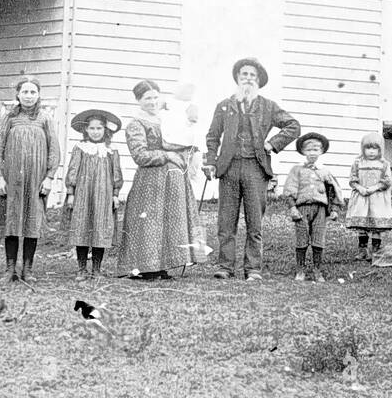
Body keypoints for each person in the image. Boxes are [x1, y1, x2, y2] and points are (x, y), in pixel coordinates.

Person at [204, 57, 300, 281]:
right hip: (228, 168)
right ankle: (225, 267)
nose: (247, 79)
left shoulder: (268, 106)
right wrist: (210, 161)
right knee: (226, 221)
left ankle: (253, 268)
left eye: (252, 76)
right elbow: (212, 136)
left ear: (258, 81)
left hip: (256, 169)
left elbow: (293, 125)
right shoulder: (224, 106)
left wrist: (272, 144)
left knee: (254, 221)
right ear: (237, 78)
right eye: (244, 75)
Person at [117, 80, 203, 280]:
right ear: (139, 100)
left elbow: (183, 139)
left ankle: (163, 266)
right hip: (150, 181)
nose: (153, 102)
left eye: (156, 97)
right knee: (151, 223)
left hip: (173, 181)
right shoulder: (136, 124)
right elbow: (140, 155)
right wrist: (167, 156)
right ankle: (147, 268)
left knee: (169, 222)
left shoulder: (167, 119)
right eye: (147, 98)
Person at [0, 76, 62, 284]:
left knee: (32, 222)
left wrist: (49, 177)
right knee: (12, 222)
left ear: (38, 95)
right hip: (12, 178)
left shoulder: (45, 119)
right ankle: (10, 269)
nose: (28, 96)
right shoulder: (9, 117)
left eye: (33, 92)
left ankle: (27, 269)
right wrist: (0, 176)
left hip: (36, 179)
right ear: (18, 94)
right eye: (25, 92)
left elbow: (54, 150)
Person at [64, 108, 124, 281]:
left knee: (100, 229)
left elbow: (116, 174)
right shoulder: (80, 148)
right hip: (83, 194)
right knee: (82, 228)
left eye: (99, 128)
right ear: (86, 130)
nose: (95, 132)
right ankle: (81, 269)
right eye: (92, 128)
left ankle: (96, 269)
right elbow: (73, 170)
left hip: (104, 196)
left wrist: (115, 194)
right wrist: (71, 193)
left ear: (105, 130)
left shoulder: (111, 150)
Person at [279, 132, 340, 283]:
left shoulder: (324, 171)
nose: (312, 153)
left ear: (321, 151)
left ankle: (317, 271)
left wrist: (333, 209)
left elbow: (332, 191)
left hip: (320, 210)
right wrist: (293, 208)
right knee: (302, 238)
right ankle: (300, 270)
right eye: (309, 150)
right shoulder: (297, 170)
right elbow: (289, 189)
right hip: (302, 209)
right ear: (303, 152)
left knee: (318, 239)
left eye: (316, 150)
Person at [345, 132, 392, 261]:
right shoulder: (358, 162)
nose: (371, 152)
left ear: (380, 149)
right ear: (363, 148)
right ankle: (362, 249)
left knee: (375, 225)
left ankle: (376, 250)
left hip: (377, 197)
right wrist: (360, 188)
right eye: (368, 148)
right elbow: (352, 179)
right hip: (362, 197)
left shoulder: (384, 164)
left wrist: (374, 188)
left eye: (375, 148)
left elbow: (387, 181)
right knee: (363, 225)